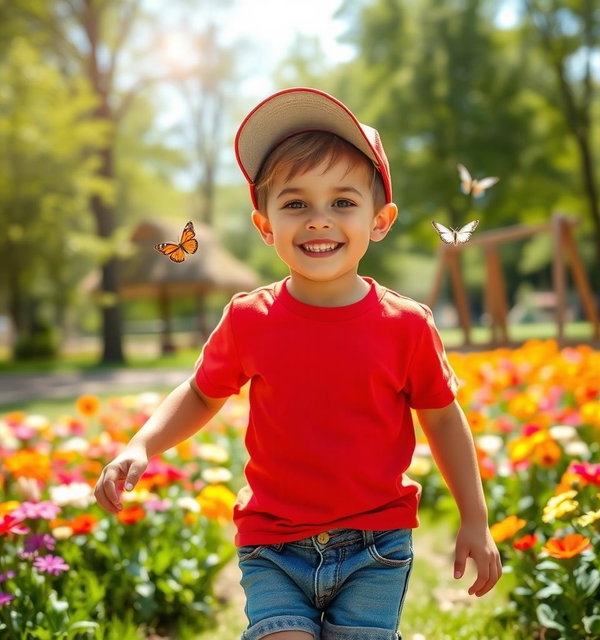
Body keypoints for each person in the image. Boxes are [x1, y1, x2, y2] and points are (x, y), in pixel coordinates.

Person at [94, 87, 502, 640]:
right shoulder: (248, 318)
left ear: (379, 221)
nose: (318, 220)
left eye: (342, 202)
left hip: (376, 543)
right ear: (265, 226)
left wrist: (474, 518)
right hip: (273, 542)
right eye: (294, 203)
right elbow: (201, 392)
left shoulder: (406, 325)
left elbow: (443, 418)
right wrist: (141, 443)